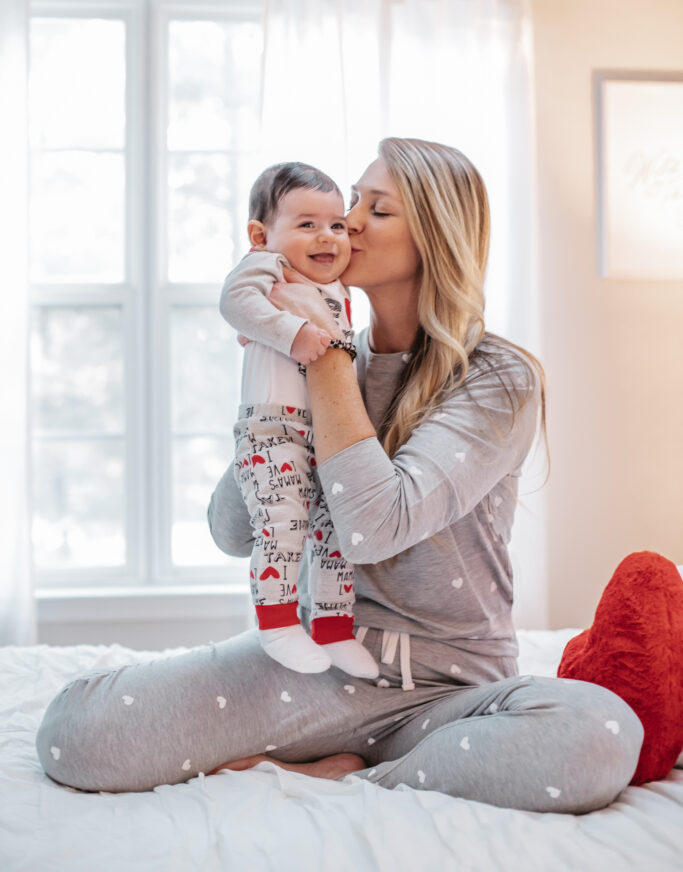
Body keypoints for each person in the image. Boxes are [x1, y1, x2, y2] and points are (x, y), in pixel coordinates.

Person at [35, 137, 644, 811]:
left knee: (599, 731)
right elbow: (232, 531)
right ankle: (368, 760)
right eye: (351, 200)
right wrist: (274, 379)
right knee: (77, 733)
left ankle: (351, 775)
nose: (347, 222)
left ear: (433, 236)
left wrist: (321, 355)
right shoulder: (308, 356)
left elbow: (370, 529)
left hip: (453, 694)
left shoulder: (497, 376)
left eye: (375, 209)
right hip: (316, 668)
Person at [219, 161, 378, 678]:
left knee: (335, 534)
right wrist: (290, 331)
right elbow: (234, 302)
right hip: (271, 427)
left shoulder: (340, 293)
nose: (327, 236)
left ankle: (333, 627)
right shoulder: (264, 267)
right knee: (282, 527)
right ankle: (277, 623)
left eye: (336, 224)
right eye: (307, 224)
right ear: (261, 235)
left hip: (321, 436)